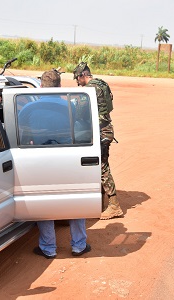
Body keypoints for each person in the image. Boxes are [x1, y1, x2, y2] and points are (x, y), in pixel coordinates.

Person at [20, 69, 91, 258]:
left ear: (41, 86)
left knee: (45, 202)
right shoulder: (69, 107)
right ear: (60, 86)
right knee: (75, 200)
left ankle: (48, 248)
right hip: (68, 158)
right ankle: (78, 245)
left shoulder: (28, 109)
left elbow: (23, 136)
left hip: (40, 160)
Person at [73, 62, 123, 220]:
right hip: (106, 129)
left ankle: (114, 205)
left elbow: (79, 113)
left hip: (100, 132)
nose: (77, 82)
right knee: (100, 164)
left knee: (101, 166)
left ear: (82, 76)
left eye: (77, 79)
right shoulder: (101, 84)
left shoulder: (89, 90)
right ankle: (101, 203)